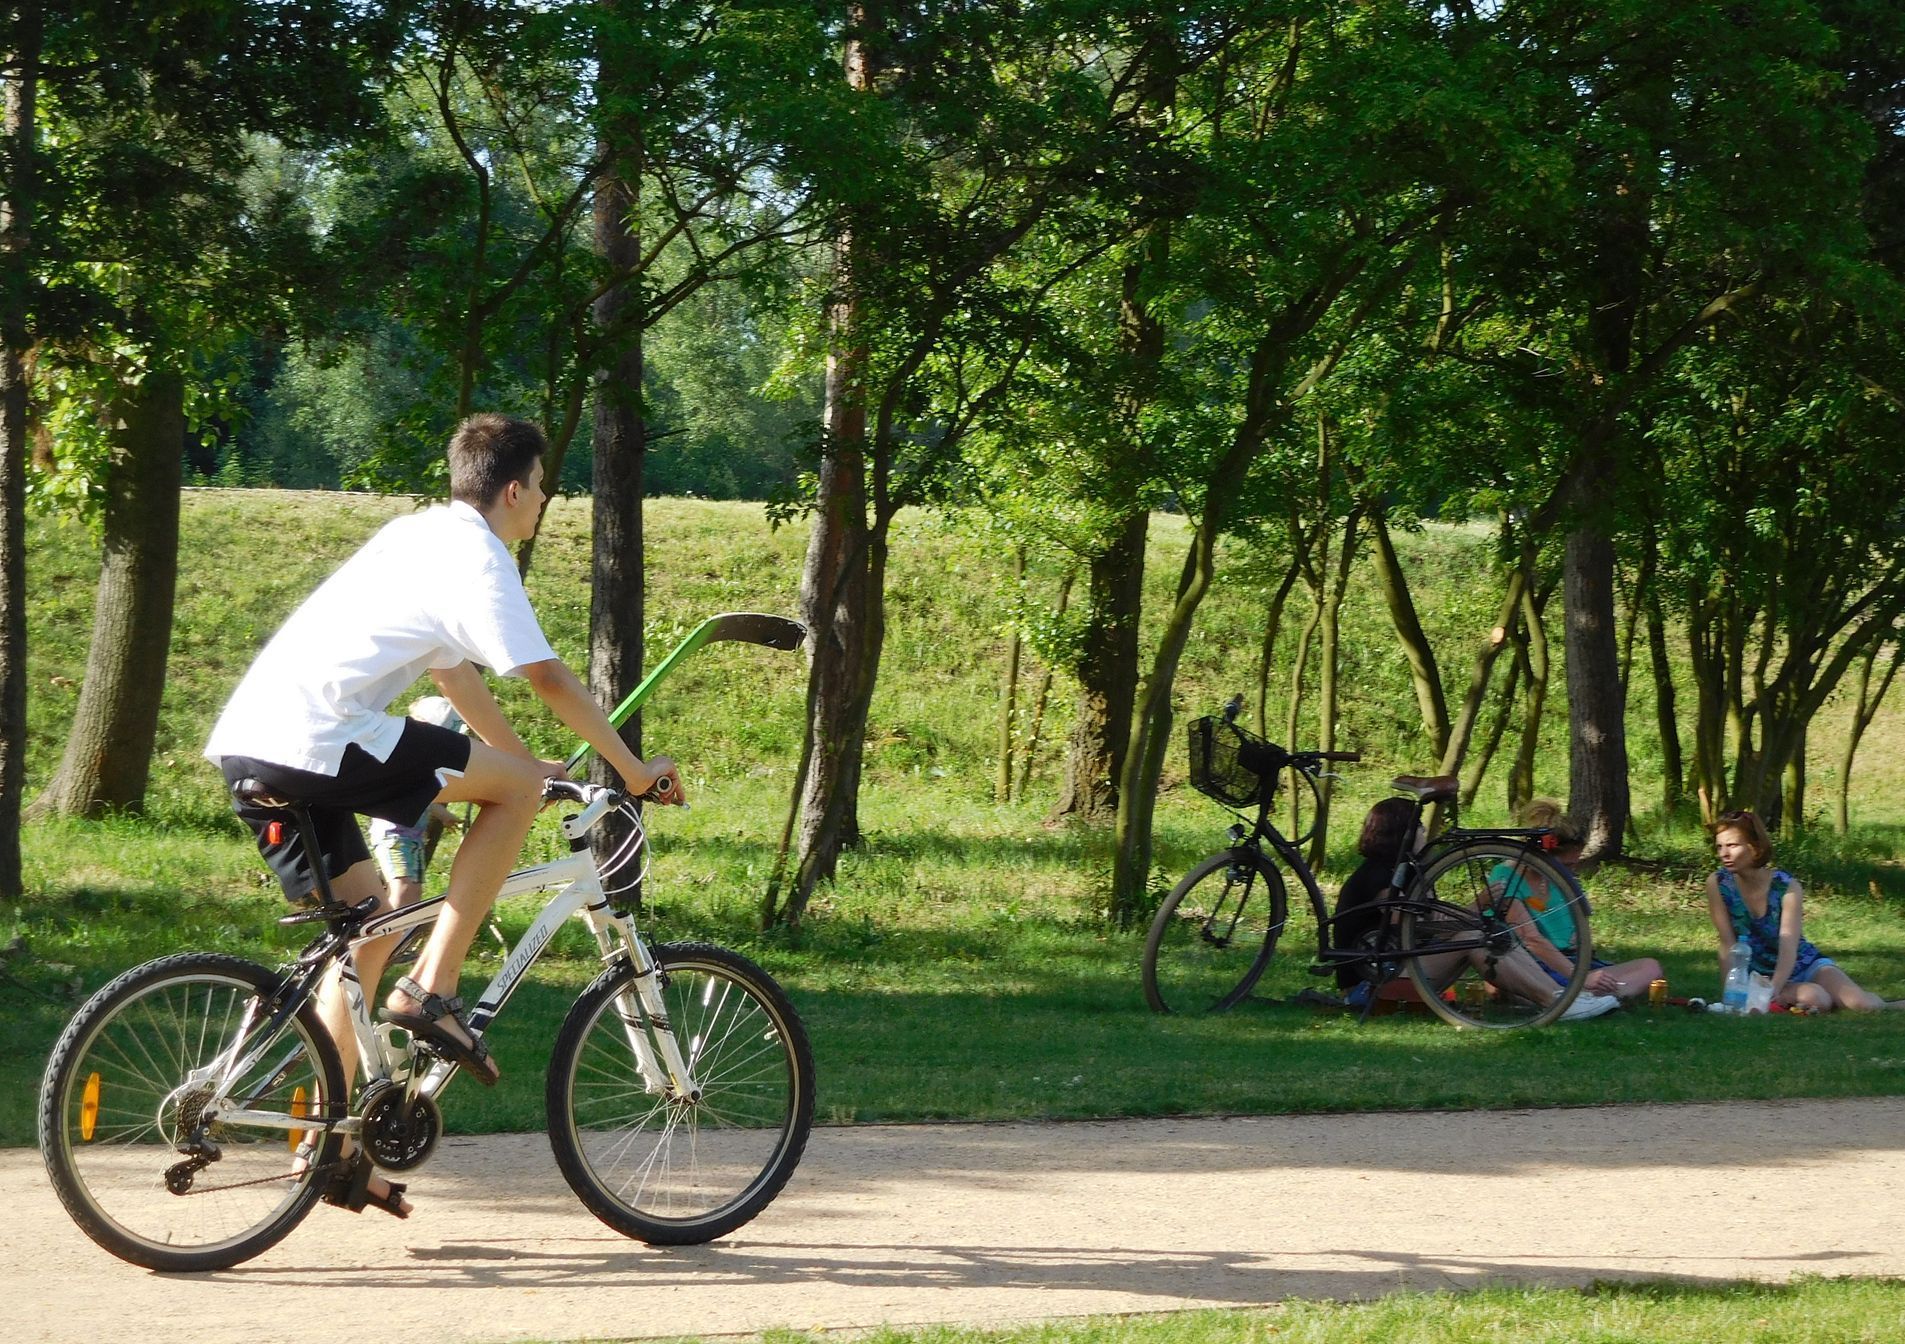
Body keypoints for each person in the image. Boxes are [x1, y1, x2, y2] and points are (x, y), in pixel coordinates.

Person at [205, 413, 683, 1215]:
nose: (541, 507)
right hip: (323, 739)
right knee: (515, 798)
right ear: (512, 488)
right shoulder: (479, 556)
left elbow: (455, 677)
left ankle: (323, 1149)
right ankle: (434, 990)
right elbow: (547, 676)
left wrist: (520, 760)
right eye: (541, 492)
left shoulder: (416, 537)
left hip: (253, 747)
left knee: (370, 926)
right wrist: (630, 770)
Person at [1330, 798, 1619, 1020]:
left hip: (1401, 973)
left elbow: (1434, 933)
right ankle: (1556, 1001)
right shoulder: (1379, 878)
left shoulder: (1405, 873)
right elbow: (1416, 930)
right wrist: (1479, 905)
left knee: (1488, 933)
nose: (1425, 833)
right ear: (1401, 833)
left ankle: (1562, 995)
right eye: (1419, 827)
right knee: (1476, 938)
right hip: (1369, 987)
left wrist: (1478, 908)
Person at [1706, 809, 1903, 1013]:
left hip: (1802, 964)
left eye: (1732, 845)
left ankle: (1890, 1004)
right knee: (1816, 998)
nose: (1724, 854)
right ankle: (1811, 999)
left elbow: (1788, 945)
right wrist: (1731, 994)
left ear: (1755, 848)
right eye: (1719, 846)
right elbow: (1727, 943)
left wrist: (1772, 989)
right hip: (1756, 972)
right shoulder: (1718, 884)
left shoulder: (1787, 887)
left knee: (1862, 1005)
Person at [1490, 800, 1661, 1003]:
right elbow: (1531, 940)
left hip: (1569, 963)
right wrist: (1582, 977)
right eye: (1565, 865)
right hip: (1533, 965)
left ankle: (1585, 997)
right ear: (1542, 855)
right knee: (1542, 984)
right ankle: (1581, 996)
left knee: (1650, 968)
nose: (1570, 872)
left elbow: (1578, 932)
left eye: (1574, 864)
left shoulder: (1561, 880)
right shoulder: (1505, 877)